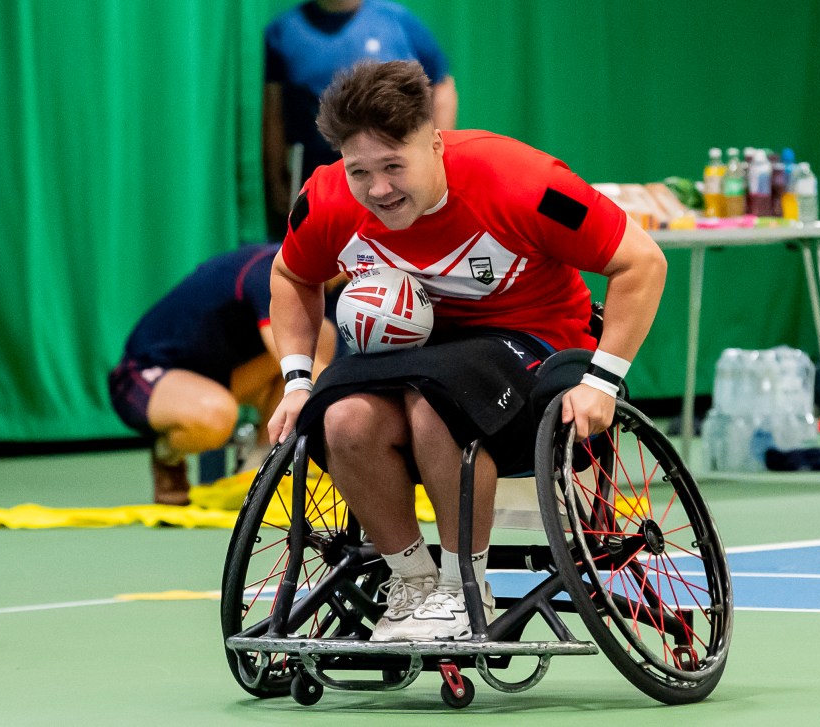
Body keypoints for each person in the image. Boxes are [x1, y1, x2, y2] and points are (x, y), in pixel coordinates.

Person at [268, 61, 667, 641]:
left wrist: (603, 380)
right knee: (344, 416)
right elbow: (290, 274)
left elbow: (641, 261)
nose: (378, 189)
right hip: (419, 357)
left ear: (435, 144)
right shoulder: (329, 198)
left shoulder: (520, 181)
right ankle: (413, 585)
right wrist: (298, 379)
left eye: (394, 166)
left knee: (436, 403)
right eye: (361, 172)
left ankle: (462, 587)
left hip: (536, 346)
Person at [108, 243, 337, 506]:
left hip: (219, 377)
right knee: (218, 415)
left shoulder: (319, 279)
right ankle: (166, 455)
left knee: (321, 337)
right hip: (141, 376)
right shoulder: (274, 269)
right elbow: (296, 367)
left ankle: (258, 469)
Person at [263, 0, 457, 238]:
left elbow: (442, 86)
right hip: (316, 177)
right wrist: (275, 178)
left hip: (398, 177)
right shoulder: (283, 31)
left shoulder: (397, 19)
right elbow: (273, 110)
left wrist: (436, 158)